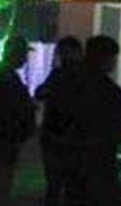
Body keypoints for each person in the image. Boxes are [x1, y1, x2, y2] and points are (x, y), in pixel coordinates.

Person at [0, 35, 37, 206]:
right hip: (3, 138)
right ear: (14, 54)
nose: (26, 59)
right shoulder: (5, 76)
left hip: (3, 137)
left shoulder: (3, 74)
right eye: (23, 54)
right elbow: (9, 109)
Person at [77, 35, 121, 206]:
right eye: (115, 57)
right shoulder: (110, 91)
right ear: (107, 58)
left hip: (70, 156)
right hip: (100, 156)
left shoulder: (68, 81)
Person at [35, 36, 84, 206]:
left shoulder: (76, 76)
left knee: (64, 185)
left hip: (69, 138)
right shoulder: (58, 73)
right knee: (57, 185)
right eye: (61, 52)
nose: (62, 56)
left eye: (65, 52)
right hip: (56, 136)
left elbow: (41, 92)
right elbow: (40, 92)